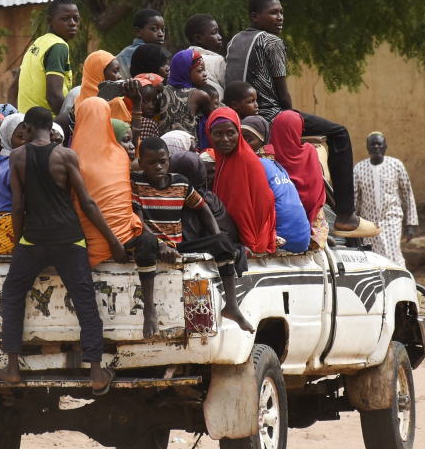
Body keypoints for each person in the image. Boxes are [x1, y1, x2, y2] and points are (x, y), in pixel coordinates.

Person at [225, 0, 376, 238]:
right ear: (255, 16)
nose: (280, 17)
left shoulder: (234, 41)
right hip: (269, 116)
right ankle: (346, 215)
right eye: (273, 13)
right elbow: (283, 96)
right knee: (339, 133)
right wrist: (290, 119)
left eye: (281, 12)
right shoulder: (272, 42)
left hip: (239, 117)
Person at [0, 107, 127, 392]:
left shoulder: (16, 157)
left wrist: (18, 245)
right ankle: (96, 372)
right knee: (85, 301)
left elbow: (18, 206)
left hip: (34, 239)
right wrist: (114, 241)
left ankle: (12, 367)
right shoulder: (66, 156)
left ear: (28, 128)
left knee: (13, 293)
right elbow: (87, 202)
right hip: (70, 238)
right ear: (50, 128)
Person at [133, 137, 254, 333]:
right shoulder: (136, 182)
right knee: (145, 241)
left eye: (162, 161)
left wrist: (217, 239)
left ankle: (232, 305)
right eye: (151, 162)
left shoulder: (180, 183)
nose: (158, 167)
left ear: (169, 161)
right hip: (153, 245)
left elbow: (203, 209)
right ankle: (149, 311)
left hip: (177, 246)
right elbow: (138, 221)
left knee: (224, 241)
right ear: (140, 163)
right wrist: (160, 244)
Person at [72, 97, 162, 337]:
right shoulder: (84, 159)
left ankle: (149, 309)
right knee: (148, 242)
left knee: (149, 240)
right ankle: (148, 308)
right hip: (117, 241)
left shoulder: (74, 157)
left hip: (94, 245)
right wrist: (114, 241)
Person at [206, 108, 278, 254]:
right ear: (209, 134)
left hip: (250, 240)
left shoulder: (247, 160)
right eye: (218, 134)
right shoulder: (223, 159)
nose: (225, 139)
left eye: (230, 133)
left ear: (239, 133)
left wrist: (248, 243)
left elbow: (260, 204)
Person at [240, 115, 311, 253]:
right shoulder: (276, 164)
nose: (243, 144)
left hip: (280, 240)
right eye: (240, 139)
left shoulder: (254, 164)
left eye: (248, 139)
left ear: (262, 141)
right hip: (303, 240)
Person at [353, 132, 418, 266]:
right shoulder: (359, 168)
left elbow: (407, 194)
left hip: (391, 220)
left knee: (392, 256)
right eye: (372, 144)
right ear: (367, 147)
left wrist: (410, 224)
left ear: (385, 147)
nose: (376, 147)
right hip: (368, 222)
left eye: (379, 144)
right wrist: (353, 224)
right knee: (371, 258)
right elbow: (354, 199)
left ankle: (400, 278)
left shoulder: (396, 165)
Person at [269, 111, 329, 245]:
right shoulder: (310, 152)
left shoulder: (266, 158)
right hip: (312, 231)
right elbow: (315, 193)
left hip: (278, 230)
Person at [17, 0, 79, 115]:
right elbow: (54, 96)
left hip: (27, 119)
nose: (72, 23)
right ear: (50, 21)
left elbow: (13, 89)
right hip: (49, 121)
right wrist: (71, 121)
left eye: (76, 19)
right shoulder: (58, 46)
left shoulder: (37, 43)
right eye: (65, 19)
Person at [0, 113, 27, 254]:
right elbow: (20, 205)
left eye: (30, 135)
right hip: (11, 232)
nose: (27, 141)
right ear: (8, 137)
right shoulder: (15, 165)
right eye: (21, 137)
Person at [161, 49, 212, 137]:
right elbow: (214, 120)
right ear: (185, 71)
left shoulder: (163, 91)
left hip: (163, 143)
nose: (205, 74)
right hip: (187, 144)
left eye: (204, 70)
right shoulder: (199, 95)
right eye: (200, 71)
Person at [75, 50, 132, 125]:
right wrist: (137, 102)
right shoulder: (115, 103)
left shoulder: (78, 101)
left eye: (119, 71)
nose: (120, 76)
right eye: (115, 71)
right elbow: (128, 131)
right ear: (100, 74)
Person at [117, 9, 166, 80]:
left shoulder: (121, 55)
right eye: (154, 29)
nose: (161, 34)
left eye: (163, 29)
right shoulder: (134, 55)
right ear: (138, 32)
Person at [185, 13, 226, 96]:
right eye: (214, 33)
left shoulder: (182, 58)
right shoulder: (218, 61)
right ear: (198, 38)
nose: (220, 37)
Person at [124, 74, 163, 143]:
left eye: (154, 101)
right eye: (145, 101)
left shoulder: (121, 117)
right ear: (132, 100)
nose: (151, 106)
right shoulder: (150, 124)